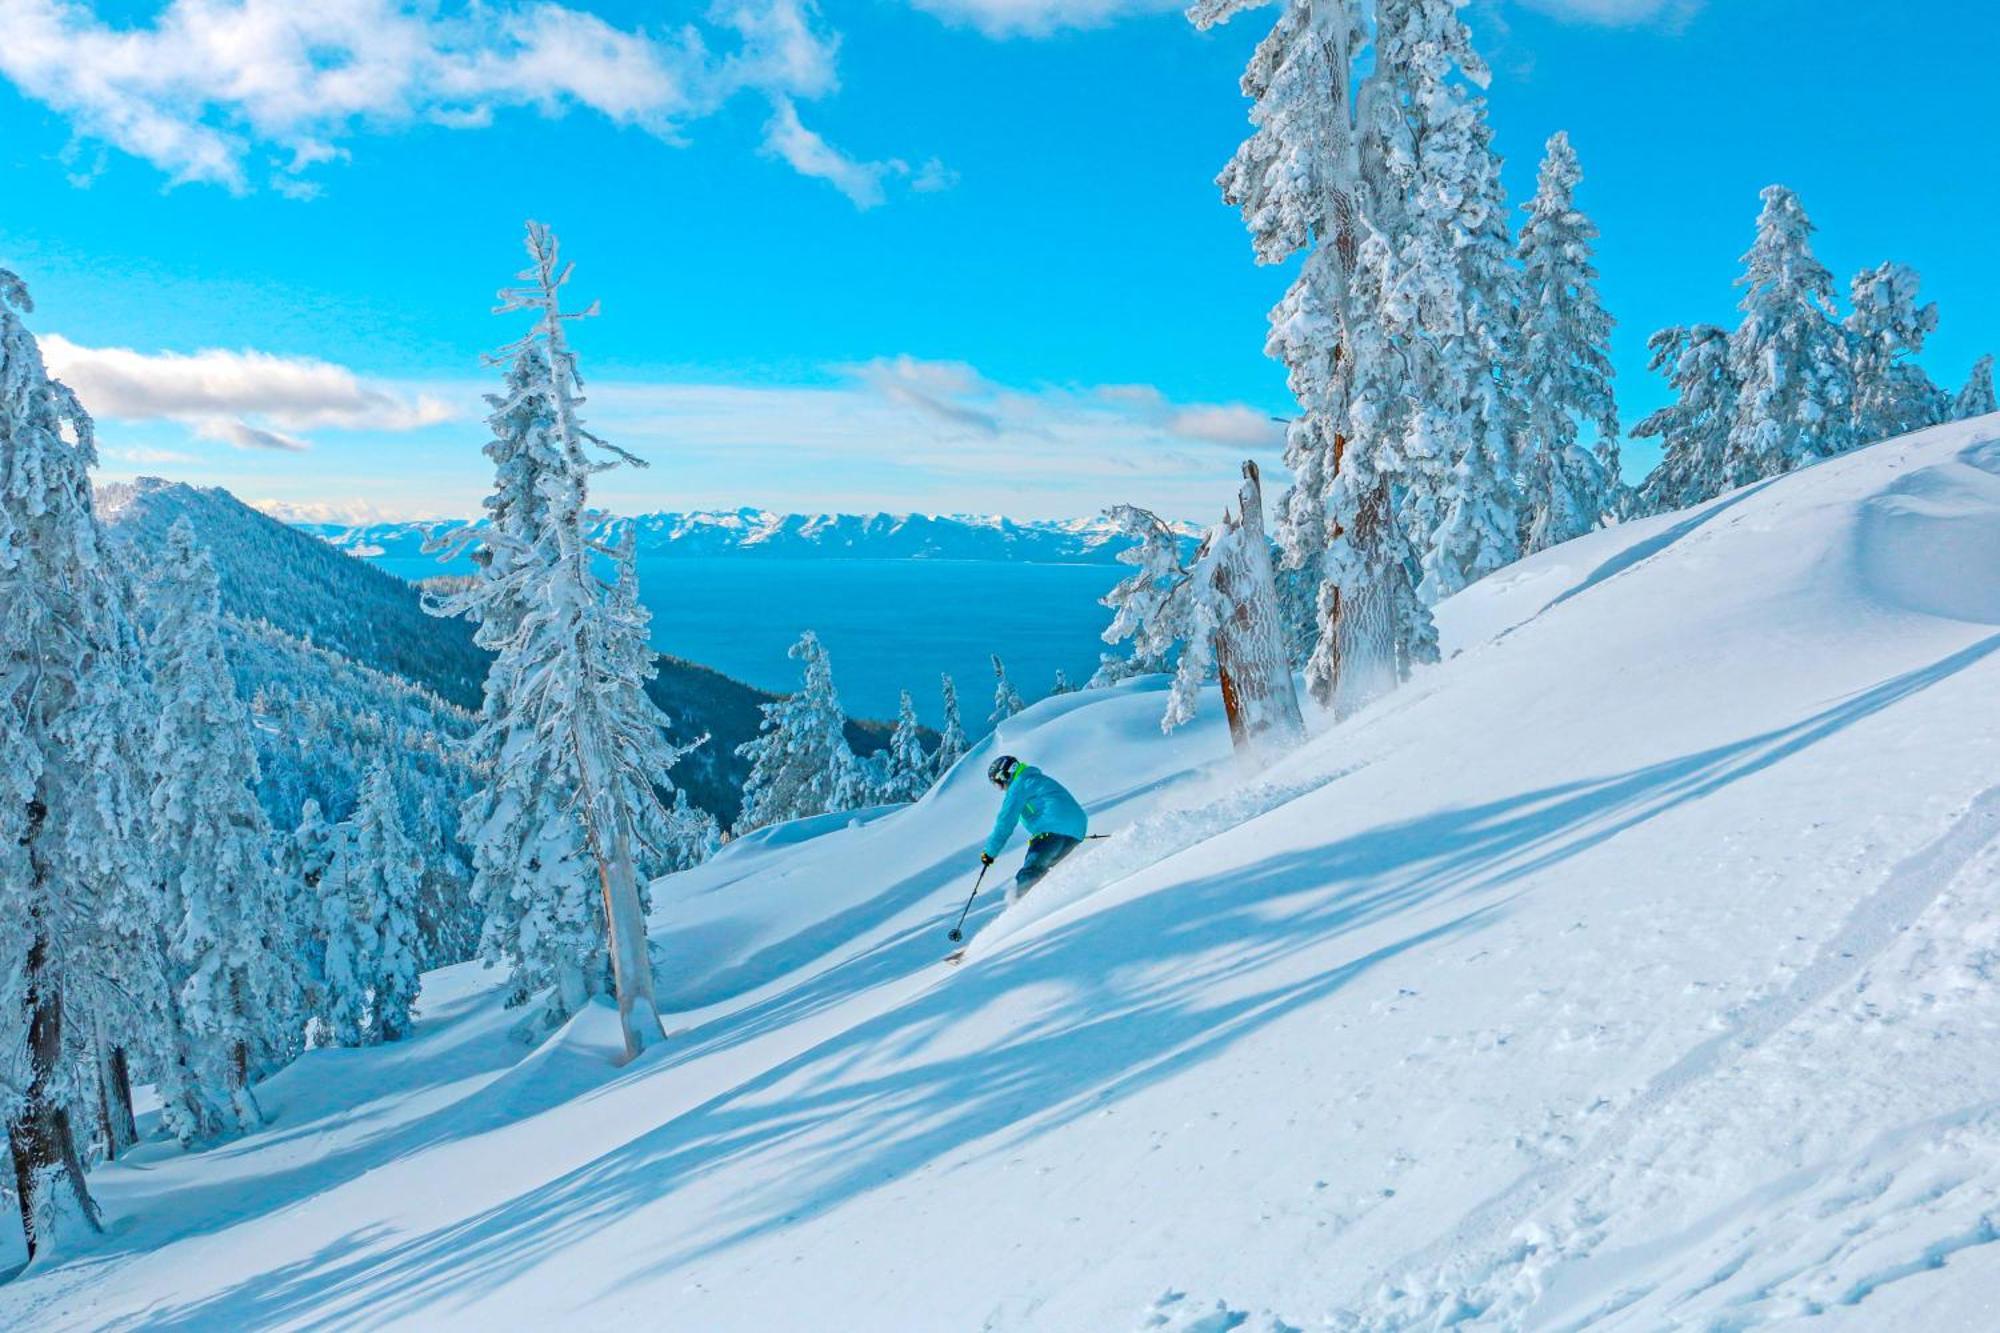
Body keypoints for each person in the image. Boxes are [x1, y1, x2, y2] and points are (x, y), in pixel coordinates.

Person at [980, 754, 1088, 905]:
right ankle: (1054, 905)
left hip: (1052, 832)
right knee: (1044, 873)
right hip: (1076, 831)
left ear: (1005, 774)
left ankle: (1023, 912)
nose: (1001, 789)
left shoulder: (1019, 785)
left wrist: (989, 852)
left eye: (998, 784)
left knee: (1030, 873)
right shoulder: (1036, 779)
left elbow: (1005, 822)